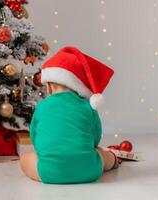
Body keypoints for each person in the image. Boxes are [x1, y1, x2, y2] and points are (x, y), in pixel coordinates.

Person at [20, 46, 118, 184]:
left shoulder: (42, 105)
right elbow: (96, 135)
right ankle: (114, 160)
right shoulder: (88, 106)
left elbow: (34, 136)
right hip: (89, 170)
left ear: (48, 86)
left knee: (25, 159)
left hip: (50, 172)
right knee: (103, 155)